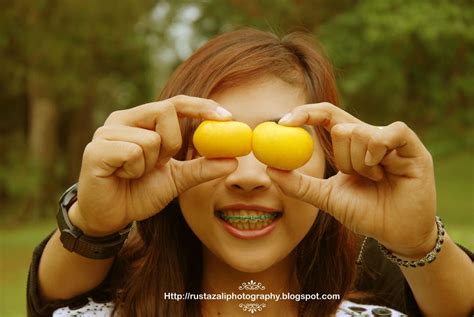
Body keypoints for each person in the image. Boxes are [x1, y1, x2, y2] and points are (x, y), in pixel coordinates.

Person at [27, 28, 473, 317]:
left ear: (331, 162)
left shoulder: (375, 277)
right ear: (170, 158)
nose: (249, 175)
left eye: (281, 141)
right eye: (220, 139)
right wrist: (92, 224)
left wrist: (416, 243)